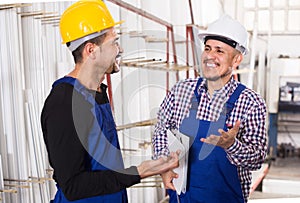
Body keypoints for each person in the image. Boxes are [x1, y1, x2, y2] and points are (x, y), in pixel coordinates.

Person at [41, 0, 179, 202]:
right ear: (91, 50)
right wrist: (138, 172)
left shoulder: (97, 93)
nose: (120, 48)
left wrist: (151, 167)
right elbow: (72, 186)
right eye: (114, 42)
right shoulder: (64, 102)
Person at [152, 14, 267, 203]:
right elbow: (161, 131)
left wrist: (231, 145)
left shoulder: (251, 103)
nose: (210, 56)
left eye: (219, 51)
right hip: (182, 198)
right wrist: (163, 168)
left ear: (236, 59)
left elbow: (256, 160)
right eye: (207, 48)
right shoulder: (181, 90)